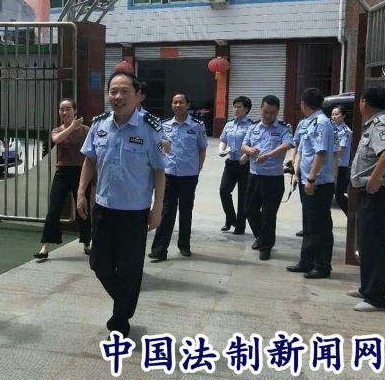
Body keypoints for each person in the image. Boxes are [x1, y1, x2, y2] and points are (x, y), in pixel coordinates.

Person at [77, 71, 166, 337]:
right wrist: (81, 192)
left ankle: (120, 321)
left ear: (138, 96)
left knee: (130, 268)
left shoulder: (150, 128)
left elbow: (159, 170)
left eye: (125, 91)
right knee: (98, 263)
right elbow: (90, 159)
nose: (118, 96)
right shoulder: (99, 124)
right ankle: (125, 302)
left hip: (134, 212)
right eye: (113, 91)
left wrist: (157, 208)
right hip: (103, 207)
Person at [348, 86, 385, 311]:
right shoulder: (374, 124)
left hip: (377, 194)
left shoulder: (380, 125)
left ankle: (375, 297)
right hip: (370, 194)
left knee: (373, 244)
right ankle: (366, 288)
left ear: (364, 103)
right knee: (366, 243)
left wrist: (375, 178)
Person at [149, 93, 207, 261]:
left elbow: (202, 147)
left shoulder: (197, 125)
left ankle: (184, 246)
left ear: (188, 105)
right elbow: (159, 147)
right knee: (166, 211)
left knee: (186, 211)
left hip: (189, 175)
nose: (177, 105)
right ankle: (159, 250)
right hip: (168, 175)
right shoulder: (164, 124)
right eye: (174, 102)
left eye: (181, 102)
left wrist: (199, 166)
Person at [287, 88, 337, 279]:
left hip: (318, 183)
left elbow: (320, 153)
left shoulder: (322, 123)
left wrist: (311, 179)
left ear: (303, 104)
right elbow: (301, 150)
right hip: (306, 180)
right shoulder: (308, 122)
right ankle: (306, 261)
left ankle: (322, 266)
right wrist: (297, 173)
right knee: (309, 224)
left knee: (320, 226)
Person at [34, 98, 91, 260]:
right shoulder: (57, 130)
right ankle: (45, 246)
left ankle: (87, 243)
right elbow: (56, 140)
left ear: (75, 111)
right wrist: (72, 126)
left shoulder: (86, 130)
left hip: (81, 172)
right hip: (62, 173)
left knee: (83, 209)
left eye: (68, 109)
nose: (64, 112)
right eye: (62, 109)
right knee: (54, 209)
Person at [240, 95, 293, 261]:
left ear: (277, 111)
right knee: (249, 209)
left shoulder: (283, 128)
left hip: (273, 179)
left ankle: (266, 247)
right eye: (265, 112)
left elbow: (287, 144)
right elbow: (244, 144)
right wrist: (249, 150)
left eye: (272, 113)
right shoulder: (253, 126)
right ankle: (261, 237)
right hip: (254, 176)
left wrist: (269, 154)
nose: (268, 116)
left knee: (269, 214)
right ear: (260, 109)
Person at [218, 96, 253, 234]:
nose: (236, 109)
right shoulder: (229, 124)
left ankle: (240, 226)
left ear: (246, 109)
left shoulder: (251, 125)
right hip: (230, 163)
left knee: (243, 196)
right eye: (234, 106)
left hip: (245, 164)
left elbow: (254, 144)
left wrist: (246, 156)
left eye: (239, 107)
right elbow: (223, 140)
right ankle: (231, 219)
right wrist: (221, 150)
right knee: (223, 191)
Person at [332, 105, 353, 216]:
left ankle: (353, 217)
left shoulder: (346, 131)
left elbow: (340, 149)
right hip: (331, 165)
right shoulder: (332, 129)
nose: (333, 117)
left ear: (343, 116)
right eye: (332, 114)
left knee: (339, 195)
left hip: (340, 167)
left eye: (336, 114)